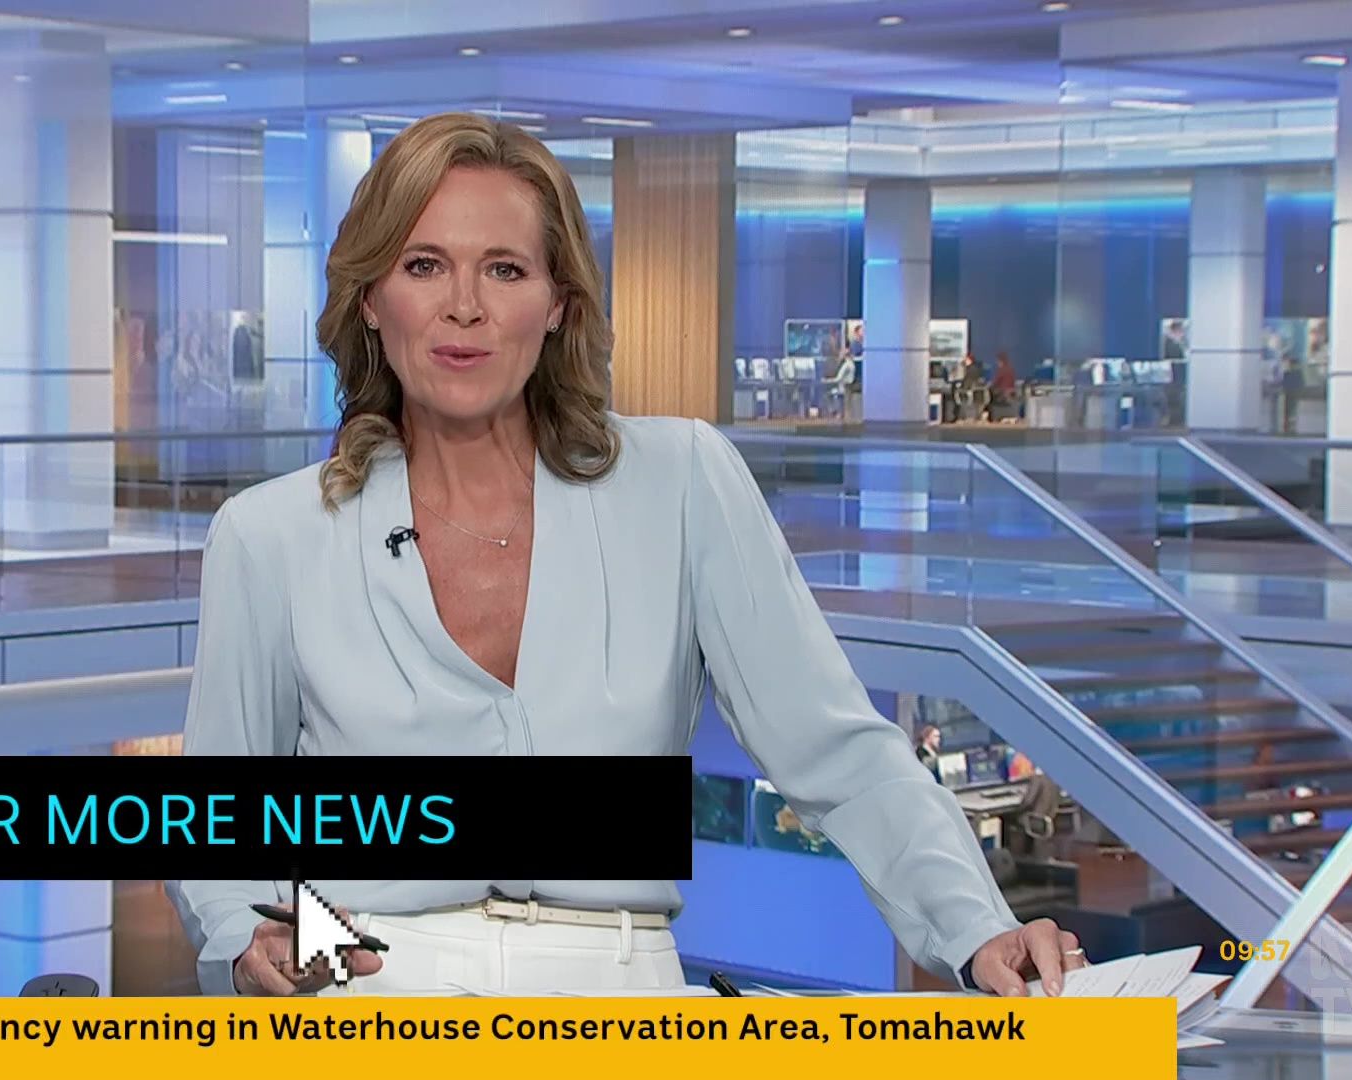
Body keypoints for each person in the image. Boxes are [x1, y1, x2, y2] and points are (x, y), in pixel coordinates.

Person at [167, 112, 1083, 1000]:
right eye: (423, 265)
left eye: (505, 269)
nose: (464, 306)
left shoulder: (683, 483)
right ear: (372, 297)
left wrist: (977, 930)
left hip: (619, 995)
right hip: (369, 994)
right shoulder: (269, 537)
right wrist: (253, 940)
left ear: (558, 302)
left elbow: (837, 750)